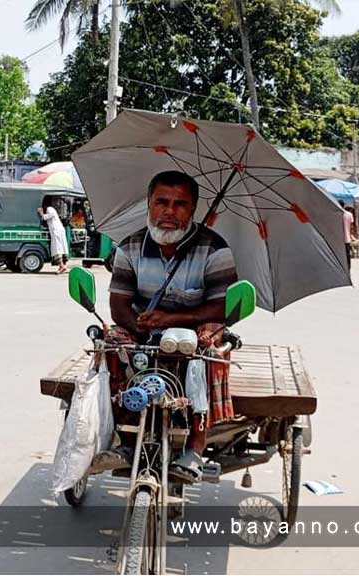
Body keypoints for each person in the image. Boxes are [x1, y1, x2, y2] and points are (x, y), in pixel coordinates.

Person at [96, 170, 238, 483]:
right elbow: (119, 305)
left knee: (210, 345)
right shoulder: (129, 247)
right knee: (113, 340)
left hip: (195, 328)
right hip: (143, 327)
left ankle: (196, 448)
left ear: (193, 209)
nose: (169, 211)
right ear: (149, 204)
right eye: (162, 202)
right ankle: (128, 439)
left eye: (180, 204)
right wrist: (140, 327)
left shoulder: (215, 249)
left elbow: (221, 307)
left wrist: (171, 320)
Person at [37, 199, 69, 274]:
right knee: (61, 247)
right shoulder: (50, 209)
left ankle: (62, 265)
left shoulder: (50, 209)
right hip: (57, 230)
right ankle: (63, 265)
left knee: (57, 248)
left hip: (56, 230)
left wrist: (41, 213)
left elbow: (48, 216)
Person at [340, 201, 355, 271]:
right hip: (347, 238)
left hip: (339, 238)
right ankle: (348, 268)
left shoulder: (338, 214)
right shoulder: (349, 214)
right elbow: (351, 227)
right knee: (347, 254)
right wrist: (351, 235)